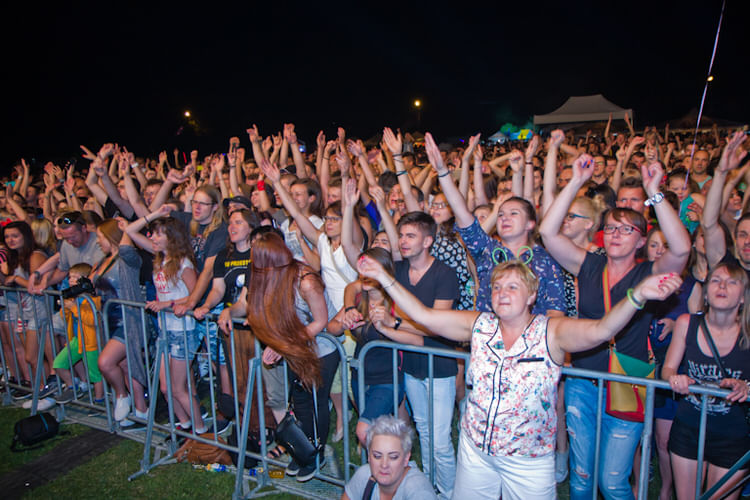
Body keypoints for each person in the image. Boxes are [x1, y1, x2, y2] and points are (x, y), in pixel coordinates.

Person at [357, 254, 682, 499]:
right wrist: (383, 278)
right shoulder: (479, 325)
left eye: (513, 286)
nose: (502, 292)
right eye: (496, 287)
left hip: (527, 460)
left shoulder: (550, 332)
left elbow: (602, 329)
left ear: (531, 296)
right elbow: (422, 315)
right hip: (476, 452)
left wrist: (637, 295)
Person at [539, 154, 691, 500]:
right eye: (610, 228)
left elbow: (682, 248)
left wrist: (654, 191)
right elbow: (548, 231)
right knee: (580, 478)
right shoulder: (589, 264)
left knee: (611, 482)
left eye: (627, 229)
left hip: (627, 382)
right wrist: (576, 182)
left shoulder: (648, 273)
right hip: (582, 382)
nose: (616, 234)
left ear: (641, 241)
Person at [245, 231, 339, 483]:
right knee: (300, 402)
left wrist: (284, 344)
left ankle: (315, 454)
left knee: (315, 401)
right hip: (297, 348)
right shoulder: (273, 277)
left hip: (323, 349)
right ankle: (303, 452)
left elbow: (321, 321)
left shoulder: (305, 281)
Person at [662, 263, 750, 500]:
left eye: (732, 282)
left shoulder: (749, 331)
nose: (722, 286)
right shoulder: (686, 323)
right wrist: (674, 378)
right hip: (688, 428)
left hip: (733, 434)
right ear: (706, 292)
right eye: (716, 280)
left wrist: (747, 386)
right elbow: (667, 368)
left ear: (743, 297)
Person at [125, 214, 206, 434]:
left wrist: (167, 304)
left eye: (159, 233)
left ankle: (201, 431)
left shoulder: (183, 263)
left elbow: (194, 295)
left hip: (182, 331)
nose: (153, 237)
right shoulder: (160, 259)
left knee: (179, 388)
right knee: (165, 387)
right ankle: (185, 425)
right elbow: (131, 231)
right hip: (166, 330)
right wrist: (154, 213)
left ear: (172, 237)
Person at [92, 218, 148, 425]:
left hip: (129, 320)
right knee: (125, 366)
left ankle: (121, 396)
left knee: (105, 363)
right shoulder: (103, 260)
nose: (97, 241)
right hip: (111, 320)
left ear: (111, 236)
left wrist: (126, 229)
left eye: (100, 236)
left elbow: (125, 247)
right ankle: (141, 410)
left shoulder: (127, 259)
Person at [0, 221, 54, 408]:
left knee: (35, 357)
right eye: (7, 237)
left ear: (26, 235)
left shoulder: (36, 255)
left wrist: (15, 278)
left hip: (39, 310)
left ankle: (48, 392)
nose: (10, 240)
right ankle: (42, 390)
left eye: (15, 236)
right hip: (25, 311)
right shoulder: (15, 257)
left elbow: (35, 286)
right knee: (31, 357)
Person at [342, 415, 437, 500]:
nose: (384, 465)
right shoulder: (364, 476)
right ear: (369, 457)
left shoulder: (418, 492)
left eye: (393, 457)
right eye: (377, 456)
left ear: (406, 458)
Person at [51, 263, 105, 404]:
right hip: (76, 340)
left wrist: (74, 308)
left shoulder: (94, 300)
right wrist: (67, 308)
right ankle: (72, 387)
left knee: (95, 374)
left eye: (76, 277)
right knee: (58, 364)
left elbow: (92, 320)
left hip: (91, 342)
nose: (71, 280)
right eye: (70, 277)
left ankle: (99, 400)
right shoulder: (73, 298)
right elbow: (65, 318)